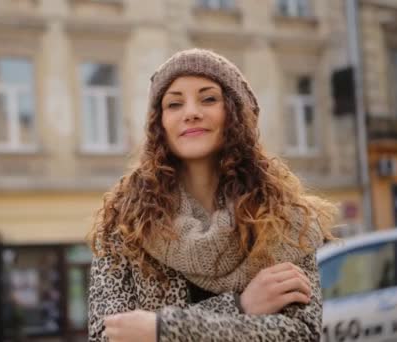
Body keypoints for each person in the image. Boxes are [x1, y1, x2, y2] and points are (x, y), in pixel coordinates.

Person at [87, 49, 338, 342]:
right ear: (160, 122)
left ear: (235, 114)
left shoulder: (284, 217)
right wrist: (240, 306)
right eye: (174, 103)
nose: (191, 112)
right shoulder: (125, 220)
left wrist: (161, 331)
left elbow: (302, 335)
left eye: (208, 98)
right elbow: (109, 336)